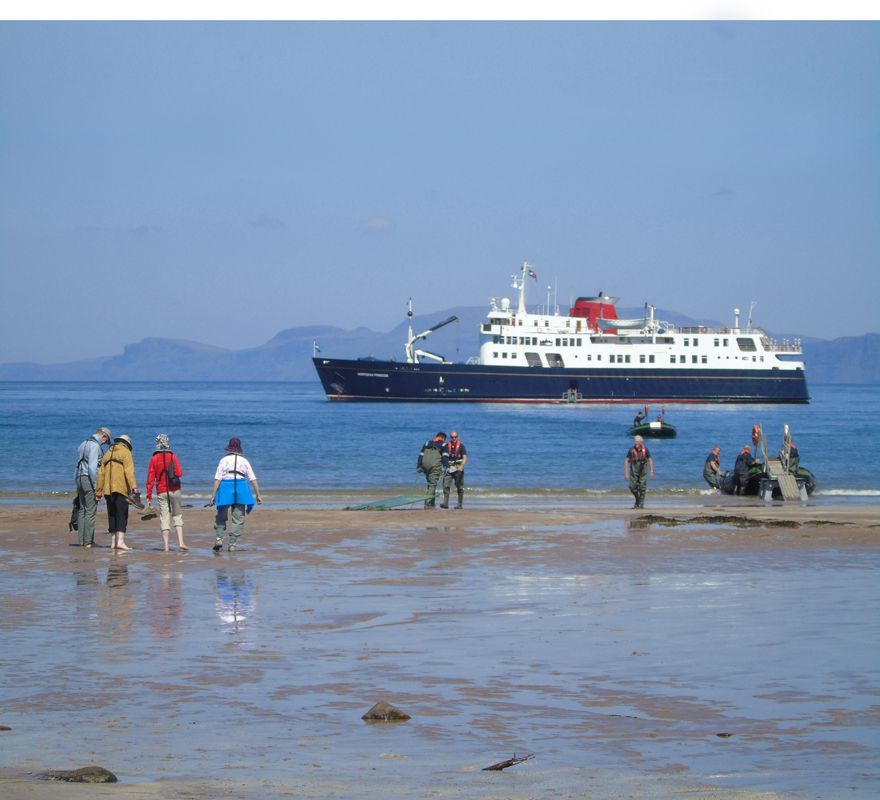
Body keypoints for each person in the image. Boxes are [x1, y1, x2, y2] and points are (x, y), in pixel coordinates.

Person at [209, 437, 263, 552]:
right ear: (239, 448)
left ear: (229, 448)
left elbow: (217, 478)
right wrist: (258, 494)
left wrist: (213, 496)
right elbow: (252, 478)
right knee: (238, 518)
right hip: (240, 488)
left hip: (225, 488)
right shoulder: (244, 461)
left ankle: (219, 538)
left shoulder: (223, 460)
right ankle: (232, 544)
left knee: (221, 516)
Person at [145, 433, 188, 552]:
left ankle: (166, 546)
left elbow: (150, 479)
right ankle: (181, 542)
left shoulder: (154, 458)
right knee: (177, 515)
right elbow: (179, 473)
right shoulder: (173, 456)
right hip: (174, 490)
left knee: (164, 517)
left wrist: (149, 496)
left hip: (161, 490)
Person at [95, 434, 138, 551]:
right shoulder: (126, 452)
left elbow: (101, 474)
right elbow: (129, 471)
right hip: (120, 488)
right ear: (127, 444)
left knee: (112, 515)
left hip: (108, 491)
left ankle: (113, 542)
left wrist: (98, 491)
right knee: (122, 515)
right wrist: (134, 487)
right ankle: (121, 542)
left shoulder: (108, 454)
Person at [74, 426, 112, 547]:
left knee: (82, 510)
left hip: (79, 478)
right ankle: (88, 542)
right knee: (90, 511)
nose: (105, 443)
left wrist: (76, 481)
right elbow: (92, 467)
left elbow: (77, 465)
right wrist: (97, 487)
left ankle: (82, 541)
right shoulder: (95, 446)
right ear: (103, 436)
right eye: (106, 441)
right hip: (88, 479)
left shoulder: (82, 443)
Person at [417, 432, 446, 508]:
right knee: (433, 484)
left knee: (430, 484)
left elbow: (421, 455)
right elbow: (445, 457)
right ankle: (427, 503)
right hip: (434, 465)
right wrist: (446, 466)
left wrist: (418, 466)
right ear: (443, 438)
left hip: (425, 465)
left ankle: (432, 503)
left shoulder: (427, 443)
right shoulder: (443, 445)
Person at [624, 435, 654, 509]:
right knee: (632, 487)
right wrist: (626, 474)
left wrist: (652, 471)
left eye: (637, 441)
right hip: (634, 470)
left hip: (643, 470)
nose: (635, 443)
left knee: (642, 486)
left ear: (641, 442)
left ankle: (641, 504)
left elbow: (650, 460)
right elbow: (626, 461)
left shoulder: (646, 449)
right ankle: (637, 499)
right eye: (635, 441)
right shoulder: (631, 450)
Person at [441, 431, 468, 509]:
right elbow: (443, 457)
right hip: (449, 468)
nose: (454, 438)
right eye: (452, 437)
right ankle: (445, 504)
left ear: (458, 437)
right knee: (446, 485)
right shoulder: (446, 446)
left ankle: (460, 505)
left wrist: (462, 466)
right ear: (450, 438)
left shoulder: (461, 446)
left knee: (459, 486)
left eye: (455, 437)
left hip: (458, 468)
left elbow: (465, 457)